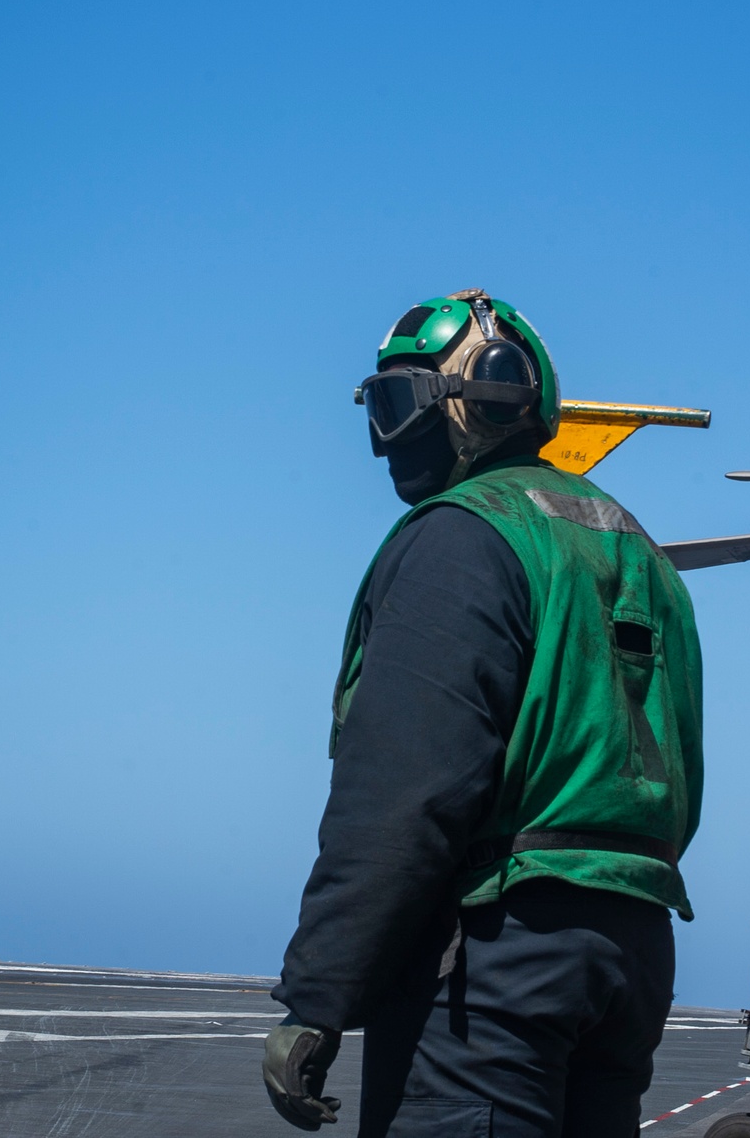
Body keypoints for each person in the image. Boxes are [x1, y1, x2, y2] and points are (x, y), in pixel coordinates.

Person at [263, 289, 703, 1137]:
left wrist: (318, 996)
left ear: (484, 397)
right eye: (377, 407)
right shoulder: (637, 549)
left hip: (499, 962)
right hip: (631, 952)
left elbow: (402, 789)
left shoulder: (462, 538)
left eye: (402, 406)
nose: (389, 439)